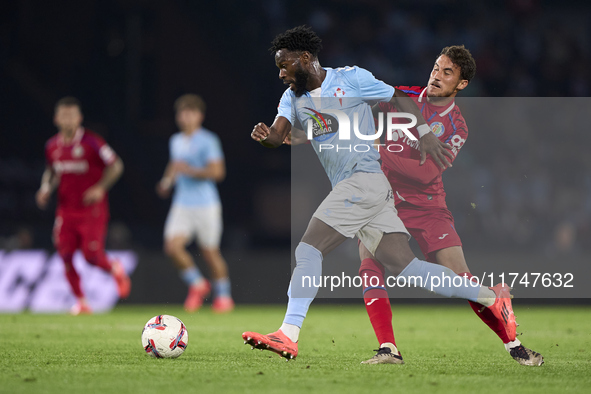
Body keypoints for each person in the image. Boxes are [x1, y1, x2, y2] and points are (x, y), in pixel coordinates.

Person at [243, 26, 515, 361]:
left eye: (284, 65)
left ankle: (288, 333)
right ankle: (491, 297)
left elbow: (397, 96)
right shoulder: (291, 98)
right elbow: (281, 134)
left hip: (363, 180)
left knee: (308, 250)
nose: (281, 73)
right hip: (372, 190)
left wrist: (426, 133)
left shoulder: (351, 78)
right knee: (407, 267)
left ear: (304, 59)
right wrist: (267, 136)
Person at [356, 46, 543, 366]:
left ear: (462, 84)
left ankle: (514, 343)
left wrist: (377, 151)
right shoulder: (404, 97)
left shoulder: (456, 126)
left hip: (428, 206)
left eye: (447, 73)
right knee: (369, 264)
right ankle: (389, 348)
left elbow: (426, 171)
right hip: (385, 201)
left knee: (461, 279)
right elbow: (365, 111)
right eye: (435, 68)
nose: (436, 76)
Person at [36, 96, 130, 315]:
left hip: (91, 210)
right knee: (65, 255)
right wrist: (45, 189)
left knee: (90, 256)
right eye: (64, 115)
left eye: (72, 115)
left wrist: (100, 188)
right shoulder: (52, 146)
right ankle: (81, 302)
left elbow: (116, 165)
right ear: (56, 118)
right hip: (66, 210)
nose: (68, 119)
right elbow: (51, 172)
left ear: (79, 118)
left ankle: (114, 267)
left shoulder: (92, 142)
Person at [156, 94, 233, 313]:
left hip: (206, 204)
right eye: (182, 113)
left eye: (190, 113)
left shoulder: (208, 140)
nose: (186, 117)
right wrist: (166, 182)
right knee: (172, 247)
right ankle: (198, 284)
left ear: (200, 116)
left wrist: (190, 171)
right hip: (182, 204)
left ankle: (224, 297)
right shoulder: (176, 140)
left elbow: (218, 172)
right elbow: (175, 165)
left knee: (209, 252)